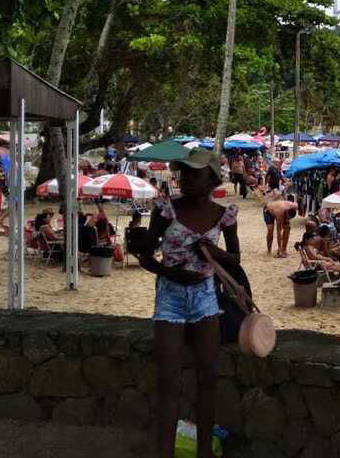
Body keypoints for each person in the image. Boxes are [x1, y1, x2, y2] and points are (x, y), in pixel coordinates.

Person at [133, 148, 239, 458]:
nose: (186, 180)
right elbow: (145, 258)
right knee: (169, 383)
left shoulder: (225, 215)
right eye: (185, 174)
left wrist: (213, 252)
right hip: (170, 296)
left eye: (195, 174)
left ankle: (203, 450)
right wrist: (170, 273)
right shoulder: (166, 210)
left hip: (206, 296)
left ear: (211, 180)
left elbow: (235, 260)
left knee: (208, 377)